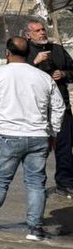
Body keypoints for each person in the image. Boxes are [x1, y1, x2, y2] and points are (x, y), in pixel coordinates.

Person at [0, 36, 65, 242]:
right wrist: (52, 132)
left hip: (9, 135)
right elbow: (58, 107)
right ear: (29, 54)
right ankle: (35, 229)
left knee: (1, 180)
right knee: (36, 183)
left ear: (7, 53)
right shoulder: (42, 77)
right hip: (38, 137)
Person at [23, 18, 73, 197]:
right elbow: (15, 75)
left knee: (65, 147)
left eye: (43, 29)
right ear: (28, 35)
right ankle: (36, 187)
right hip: (36, 110)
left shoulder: (57, 50)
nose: (42, 33)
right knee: (38, 149)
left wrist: (64, 73)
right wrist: (34, 62)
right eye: (37, 31)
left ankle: (65, 183)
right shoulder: (25, 53)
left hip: (61, 108)